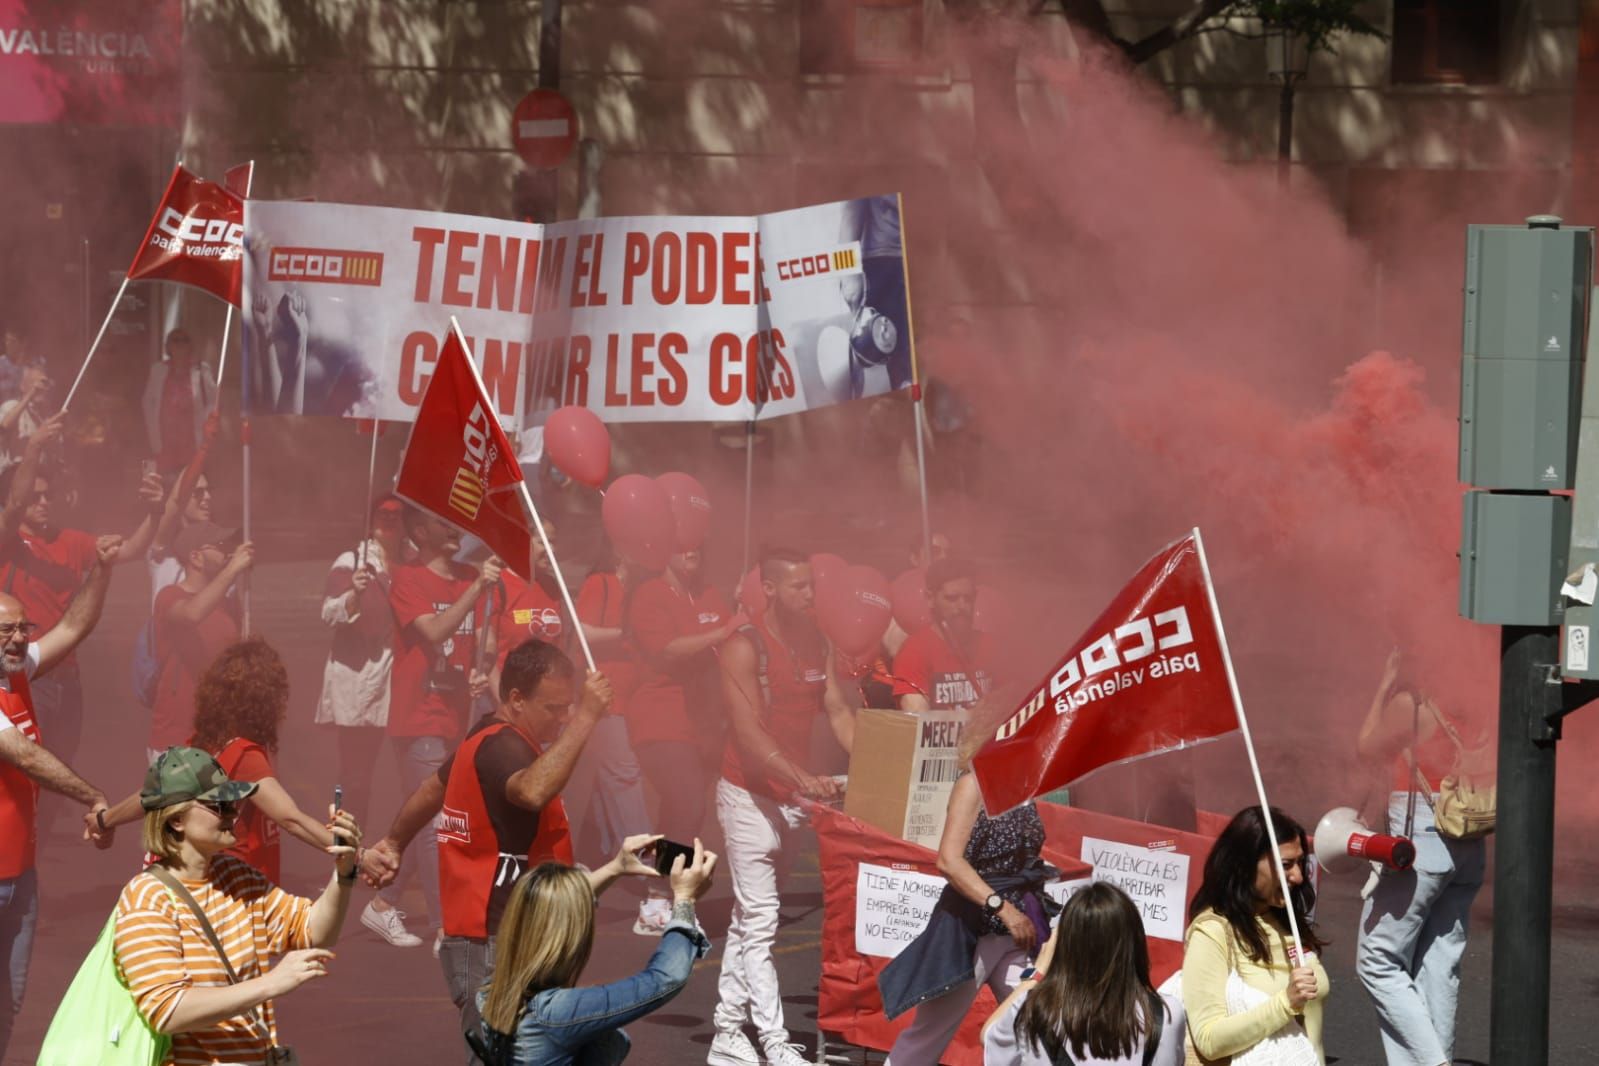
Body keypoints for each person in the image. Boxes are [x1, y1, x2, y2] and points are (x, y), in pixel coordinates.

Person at [362, 638, 613, 1062]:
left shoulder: (484, 739)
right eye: (553, 708)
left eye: (569, 706)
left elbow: (430, 790)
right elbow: (532, 790)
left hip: (502, 936)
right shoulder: (502, 746)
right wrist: (588, 716)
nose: (562, 717)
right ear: (516, 699)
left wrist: (394, 842)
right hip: (495, 941)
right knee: (502, 1055)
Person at [111, 746, 361, 1066]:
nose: (234, 814)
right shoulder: (148, 899)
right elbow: (167, 1010)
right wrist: (270, 983)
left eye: (234, 803)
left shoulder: (236, 878)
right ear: (176, 821)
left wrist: (344, 873)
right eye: (220, 805)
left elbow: (313, 931)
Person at [708, 548, 855, 1066]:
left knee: (749, 918)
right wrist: (803, 778)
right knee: (764, 917)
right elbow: (747, 735)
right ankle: (773, 1040)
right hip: (748, 795)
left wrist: (873, 764)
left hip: (790, 798)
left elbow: (836, 708)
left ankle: (727, 1032)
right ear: (768, 589)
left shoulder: (819, 640)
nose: (810, 595)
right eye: (798, 587)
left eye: (812, 585)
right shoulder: (743, 646)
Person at [878, 707, 1059, 1065]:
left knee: (1037, 1027)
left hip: (1017, 931)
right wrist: (1002, 908)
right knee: (929, 1037)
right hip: (971, 930)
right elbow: (949, 860)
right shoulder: (972, 785)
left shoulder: (1023, 786)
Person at [0, 539, 120, 1060]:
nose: (18, 638)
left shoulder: (15, 669)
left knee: (11, 997)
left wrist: (103, 568)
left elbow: (73, 628)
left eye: (22, 628)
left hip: (20, 874)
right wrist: (91, 795)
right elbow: (22, 754)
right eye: (6, 629)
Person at [0, 416, 165, 787]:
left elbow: (133, 549)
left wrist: (155, 511)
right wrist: (34, 448)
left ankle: (35, 841)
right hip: (21, 672)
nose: (43, 502)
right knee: (27, 771)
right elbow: (13, 506)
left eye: (48, 495)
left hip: (66, 675)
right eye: (35, 496)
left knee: (60, 768)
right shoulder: (6, 541)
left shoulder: (71, 541)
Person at [364, 507, 499, 951]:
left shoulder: (466, 574)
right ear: (420, 531)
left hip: (456, 714)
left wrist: (480, 670)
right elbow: (437, 630)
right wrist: (479, 585)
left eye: (457, 521)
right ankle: (447, 926)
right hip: (418, 713)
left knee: (431, 815)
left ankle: (384, 903)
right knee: (437, 821)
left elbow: (482, 639)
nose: (454, 527)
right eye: (444, 522)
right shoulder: (408, 578)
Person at [102, 639, 344, 885]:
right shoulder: (245, 756)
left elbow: (152, 794)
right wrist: (356, 853)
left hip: (196, 881)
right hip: (234, 888)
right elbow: (292, 820)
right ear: (266, 700)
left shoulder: (204, 745)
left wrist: (104, 819)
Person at [1354, 649, 1488, 1066]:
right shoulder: (1476, 699)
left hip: (1424, 837)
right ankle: (1437, 1056)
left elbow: (1366, 747)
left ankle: (1434, 1064)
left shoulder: (1414, 704)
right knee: (1439, 963)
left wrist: (1385, 681)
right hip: (1469, 839)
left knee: (1377, 959)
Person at [475, 840, 720, 1066]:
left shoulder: (492, 991)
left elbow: (548, 911)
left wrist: (616, 867)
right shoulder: (555, 1013)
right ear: (568, 938)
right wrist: (684, 901)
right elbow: (664, 979)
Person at [1182, 806, 1329, 1065]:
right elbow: (1209, 1039)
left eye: (1300, 863)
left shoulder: (1287, 919)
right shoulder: (1212, 932)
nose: (1297, 876)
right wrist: (1285, 1003)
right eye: (1286, 865)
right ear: (1245, 866)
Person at [981, 882, 1186, 1066]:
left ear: (1065, 945)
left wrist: (1037, 973)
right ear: (1134, 944)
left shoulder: (1031, 1010)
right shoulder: (1166, 1014)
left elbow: (990, 1036)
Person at [622, 548, 736, 853]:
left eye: (698, 543)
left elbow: (733, 641)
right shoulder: (649, 593)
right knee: (687, 802)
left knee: (683, 810)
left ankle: (658, 881)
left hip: (707, 717)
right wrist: (723, 632)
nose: (692, 550)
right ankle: (663, 889)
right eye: (681, 543)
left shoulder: (709, 593)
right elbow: (666, 650)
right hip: (660, 713)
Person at [317, 493, 408, 836]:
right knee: (356, 775)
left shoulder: (412, 559)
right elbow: (328, 612)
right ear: (371, 520)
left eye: (397, 514)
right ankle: (345, 845)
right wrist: (353, 592)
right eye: (383, 513)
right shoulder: (352, 560)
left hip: (398, 678)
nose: (389, 519)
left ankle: (405, 852)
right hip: (357, 681)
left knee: (411, 772)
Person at [571, 548, 651, 895]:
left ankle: (605, 854)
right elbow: (582, 631)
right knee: (623, 775)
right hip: (605, 697)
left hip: (635, 700)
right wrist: (626, 635)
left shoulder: (643, 588)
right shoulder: (599, 582)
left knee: (609, 782)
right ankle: (646, 862)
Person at [149, 521, 253, 761]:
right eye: (219, 545)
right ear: (195, 557)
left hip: (220, 734)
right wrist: (232, 570)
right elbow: (191, 614)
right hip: (177, 739)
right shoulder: (169, 596)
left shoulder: (228, 605)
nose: (227, 551)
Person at [892, 556, 994, 712]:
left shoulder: (990, 646)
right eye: (952, 598)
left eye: (968, 598)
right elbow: (918, 723)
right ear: (930, 598)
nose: (962, 606)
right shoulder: (915, 652)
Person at [837, 194, 910, 398]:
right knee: (899, 367)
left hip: (926, 256)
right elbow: (850, 212)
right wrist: (847, 273)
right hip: (884, 261)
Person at [141, 327, 218, 475]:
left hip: (193, 441)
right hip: (165, 441)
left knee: (191, 484)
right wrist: (152, 433)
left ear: (191, 346)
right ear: (168, 346)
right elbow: (147, 402)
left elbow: (214, 400)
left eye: (185, 340)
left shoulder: (202, 370)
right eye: (176, 340)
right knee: (165, 486)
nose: (180, 344)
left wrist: (205, 423)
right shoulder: (158, 369)